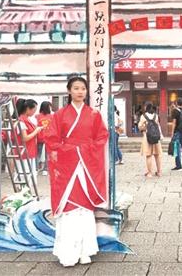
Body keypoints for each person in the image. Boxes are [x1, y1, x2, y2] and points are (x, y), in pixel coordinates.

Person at [46, 76, 109, 267]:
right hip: (67, 166)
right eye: (76, 88)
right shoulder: (59, 115)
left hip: (87, 166)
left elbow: (102, 137)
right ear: (69, 91)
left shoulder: (94, 114)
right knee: (69, 208)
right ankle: (68, 253)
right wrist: (72, 150)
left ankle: (85, 251)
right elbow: (51, 140)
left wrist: (85, 150)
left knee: (85, 209)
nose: (80, 91)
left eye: (83, 88)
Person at [17, 99, 45, 181]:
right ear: (28, 109)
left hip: (30, 151)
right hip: (24, 152)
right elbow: (24, 138)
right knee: (25, 176)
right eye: (34, 109)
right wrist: (36, 131)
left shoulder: (27, 119)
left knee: (30, 175)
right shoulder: (21, 121)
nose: (35, 112)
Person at [138, 103, 163, 177]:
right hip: (156, 136)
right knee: (157, 155)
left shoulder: (143, 116)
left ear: (146, 107)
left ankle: (149, 173)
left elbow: (140, 126)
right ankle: (159, 172)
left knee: (149, 155)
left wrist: (145, 127)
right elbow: (158, 126)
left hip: (147, 137)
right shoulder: (156, 115)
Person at [36, 101, 53, 176]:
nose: (50, 108)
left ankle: (39, 169)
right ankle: (43, 169)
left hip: (44, 138)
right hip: (43, 137)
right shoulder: (51, 116)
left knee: (40, 154)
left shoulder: (37, 116)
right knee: (44, 154)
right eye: (50, 106)